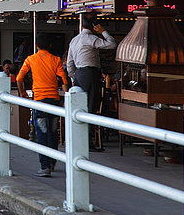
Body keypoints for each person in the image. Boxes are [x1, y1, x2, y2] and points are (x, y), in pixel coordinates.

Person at [17, 33, 69, 177]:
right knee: (53, 131)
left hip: (39, 102)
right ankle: (52, 162)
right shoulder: (56, 60)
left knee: (41, 132)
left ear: (36, 45)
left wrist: (23, 94)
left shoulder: (31, 59)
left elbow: (19, 78)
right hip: (53, 101)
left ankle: (44, 166)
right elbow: (64, 80)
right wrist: (66, 99)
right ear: (50, 45)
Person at [67, 13, 117, 151]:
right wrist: (103, 32)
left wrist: (74, 78)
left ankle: (77, 141)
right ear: (94, 27)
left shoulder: (74, 40)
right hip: (90, 74)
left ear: (81, 25)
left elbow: (70, 64)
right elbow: (112, 44)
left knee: (78, 108)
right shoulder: (91, 38)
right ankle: (87, 143)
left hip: (79, 75)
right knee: (90, 108)